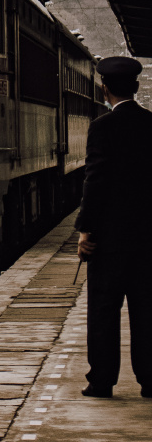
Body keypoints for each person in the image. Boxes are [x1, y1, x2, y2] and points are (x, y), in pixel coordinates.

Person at [75, 55, 152, 399]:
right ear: (136, 87)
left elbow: (96, 180)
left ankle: (102, 380)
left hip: (109, 239)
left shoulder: (102, 127)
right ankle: (150, 379)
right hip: (148, 238)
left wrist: (86, 231)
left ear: (104, 90)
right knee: (147, 309)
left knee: (104, 309)